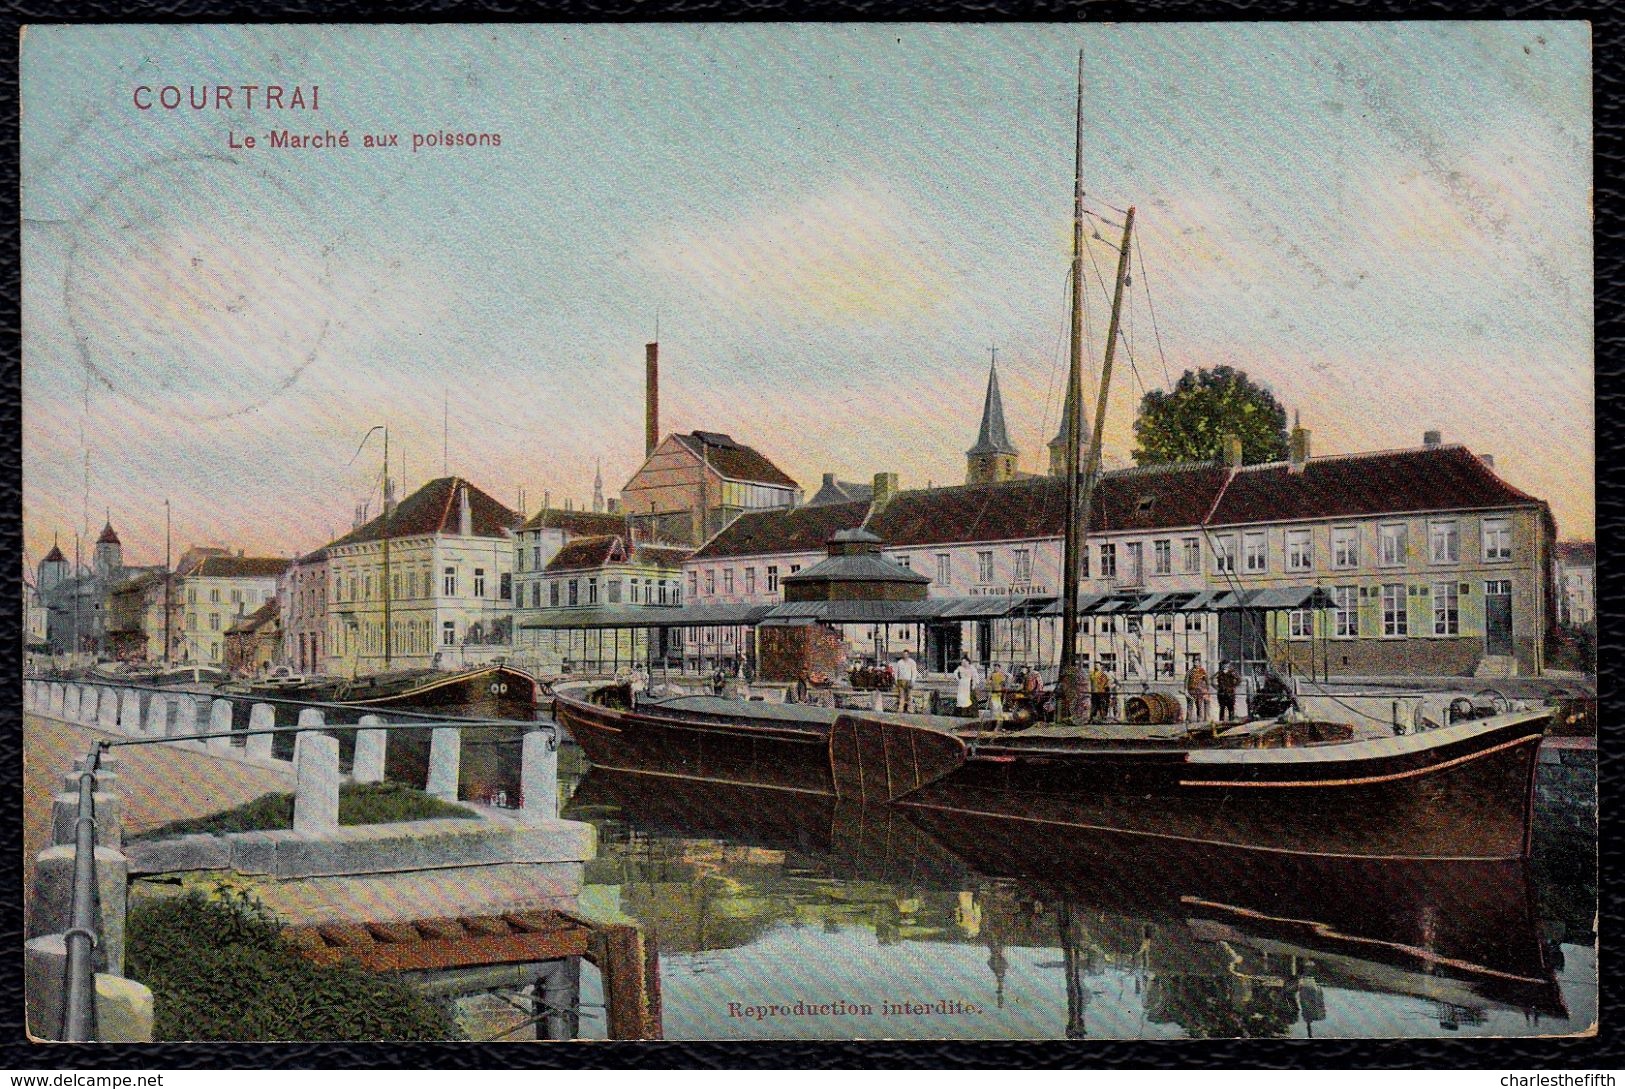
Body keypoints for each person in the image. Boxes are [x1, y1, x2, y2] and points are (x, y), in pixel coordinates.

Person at [987, 662, 1008, 728]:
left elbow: (1004, 681)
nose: (996, 668)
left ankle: (999, 722)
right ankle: (993, 722)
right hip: (993, 692)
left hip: (999, 692)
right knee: (993, 707)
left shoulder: (1001, 674)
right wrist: (990, 683)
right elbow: (987, 681)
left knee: (998, 707)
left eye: (997, 667)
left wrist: (1004, 683)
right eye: (995, 667)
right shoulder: (991, 674)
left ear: (999, 668)